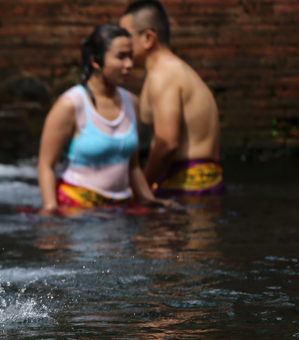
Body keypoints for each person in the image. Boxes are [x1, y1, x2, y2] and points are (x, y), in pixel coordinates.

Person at [37, 24, 157, 212]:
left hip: (120, 210)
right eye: (121, 57)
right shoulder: (71, 105)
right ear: (95, 61)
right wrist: (51, 212)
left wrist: (153, 203)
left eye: (130, 56)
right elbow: (46, 166)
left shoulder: (132, 102)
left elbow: (133, 167)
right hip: (78, 209)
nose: (129, 64)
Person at [120, 0, 224, 196]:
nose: (122, 44)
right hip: (202, 182)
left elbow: (167, 143)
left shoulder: (163, 75)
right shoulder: (177, 69)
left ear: (148, 38)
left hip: (187, 188)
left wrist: (140, 190)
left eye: (126, 37)